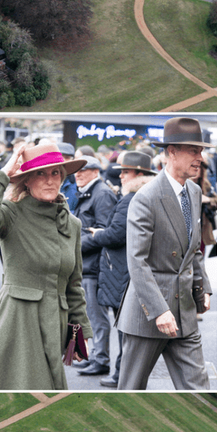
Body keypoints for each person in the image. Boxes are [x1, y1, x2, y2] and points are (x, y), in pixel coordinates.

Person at [0, 143, 91, 390]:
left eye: (55, 173)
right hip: (17, 320)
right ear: (26, 180)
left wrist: (81, 334)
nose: (50, 180)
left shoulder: (73, 225)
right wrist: (4, 171)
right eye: (40, 173)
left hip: (56, 323)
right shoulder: (11, 213)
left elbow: (74, 284)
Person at [117, 117, 213, 390]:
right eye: (194, 150)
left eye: (201, 151)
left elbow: (192, 249)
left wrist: (202, 286)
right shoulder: (145, 198)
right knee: (130, 391)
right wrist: (159, 311)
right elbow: (137, 261)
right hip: (148, 318)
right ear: (172, 151)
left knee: (199, 391)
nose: (200, 158)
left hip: (184, 314)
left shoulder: (193, 192)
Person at [87, 151, 157, 388]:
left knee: (124, 327)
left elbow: (117, 234)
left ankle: (121, 374)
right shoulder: (148, 195)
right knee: (127, 328)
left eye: (125, 172)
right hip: (130, 269)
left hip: (121, 270)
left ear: (138, 174)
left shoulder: (131, 198)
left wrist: (98, 234)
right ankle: (122, 372)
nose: (121, 176)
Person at [73, 156, 117, 376]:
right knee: (91, 315)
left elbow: (103, 233)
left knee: (97, 317)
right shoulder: (93, 192)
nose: (77, 174)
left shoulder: (101, 194)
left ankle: (101, 359)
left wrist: (73, 246)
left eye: (84, 170)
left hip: (96, 266)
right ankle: (96, 357)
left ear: (95, 171)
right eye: (77, 171)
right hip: (88, 264)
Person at [57, 142, 79, 212]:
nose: (63, 161)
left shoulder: (78, 182)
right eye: (60, 157)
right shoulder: (44, 179)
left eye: (67, 158)